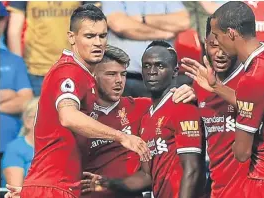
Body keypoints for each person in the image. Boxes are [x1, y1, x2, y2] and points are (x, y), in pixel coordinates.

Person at [17, 5, 150, 198]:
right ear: (72, 37)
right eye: (89, 36)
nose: (98, 43)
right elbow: (68, 116)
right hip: (54, 188)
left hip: (56, 187)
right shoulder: (69, 71)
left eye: (102, 36)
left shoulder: (83, 76)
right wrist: (122, 136)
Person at [183, 2, 264, 197]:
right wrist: (217, 87)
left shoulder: (252, 80)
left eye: (217, 36)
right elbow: (259, 100)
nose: (217, 45)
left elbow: (241, 153)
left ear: (231, 34)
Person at [82, 41, 206, 198]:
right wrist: (107, 183)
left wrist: (195, 93)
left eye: (159, 66)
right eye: (147, 66)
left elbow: (193, 169)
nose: (152, 72)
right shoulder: (147, 115)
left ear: (175, 72)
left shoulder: (182, 105)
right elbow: (146, 176)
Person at [182, 16, 248, 198]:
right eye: (213, 45)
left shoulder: (251, 78)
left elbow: (257, 107)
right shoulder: (198, 85)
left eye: (225, 45)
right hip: (218, 188)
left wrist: (216, 88)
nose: (219, 53)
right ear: (204, 43)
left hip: (251, 187)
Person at [0, 1, 34, 157]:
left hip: (11, 149)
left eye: (0, 18)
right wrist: (10, 95)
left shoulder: (14, 61)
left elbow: (26, 101)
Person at [2, 98, 37, 187]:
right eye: (42, 116)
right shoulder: (15, 148)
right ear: (28, 121)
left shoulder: (57, 147)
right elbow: (15, 190)